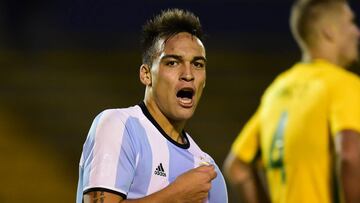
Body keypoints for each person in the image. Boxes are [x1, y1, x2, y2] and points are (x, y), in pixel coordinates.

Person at [76, 8, 228, 203]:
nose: (188, 74)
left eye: (198, 64)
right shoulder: (120, 127)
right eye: (173, 63)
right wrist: (175, 196)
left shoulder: (207, 174)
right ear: (146, 74)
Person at [223, 0, 360, 202]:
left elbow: (237, 167)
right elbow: (349, 154)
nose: (356, 32)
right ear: (329, 31)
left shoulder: (276, 91)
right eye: (350, 22)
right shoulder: (343, 84)